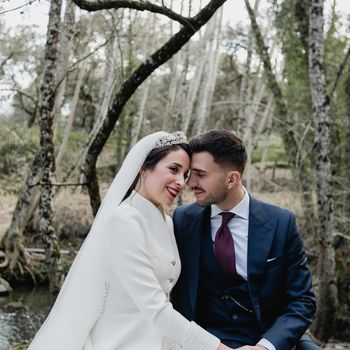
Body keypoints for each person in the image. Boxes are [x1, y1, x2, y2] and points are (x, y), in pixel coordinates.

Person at [28, 131, 234, 350]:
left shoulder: (167, 222)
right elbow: (154, 307)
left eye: (185, 175)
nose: (180, 182)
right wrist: (218, 348)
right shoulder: (123, 221)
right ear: (144, 168)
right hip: (121, 343)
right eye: (173, 170)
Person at [171, 129, 319, 350]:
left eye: (200, 174)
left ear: (232, 179)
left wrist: (265, 347)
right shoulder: (183, 220)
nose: (189, 182)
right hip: (208, 341)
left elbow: (303, 300)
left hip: (270, 337)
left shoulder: (281, 222)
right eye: (190, 173)